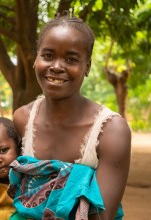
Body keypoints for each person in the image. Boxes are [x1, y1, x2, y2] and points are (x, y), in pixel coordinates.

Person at [11, 11, 131, 220]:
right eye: (48, 55)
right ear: (35, 59)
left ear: (87, 66)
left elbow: (102, 216)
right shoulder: (22, 119)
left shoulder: (111, 131)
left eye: (71, 59)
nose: (56, 66)